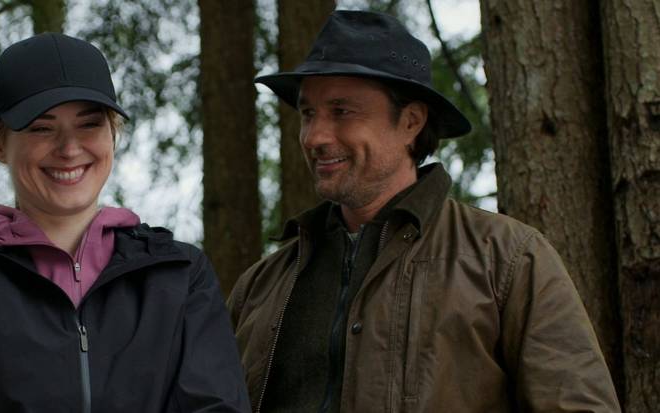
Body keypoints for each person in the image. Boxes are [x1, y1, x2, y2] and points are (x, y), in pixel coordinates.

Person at [228, 10, 620, 413]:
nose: (315, 136)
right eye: (308, 113)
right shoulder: (260, 286)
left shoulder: (507, 259)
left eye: (341, 111)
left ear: (411, 121)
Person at [0, 32, 250, 413]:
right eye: (42, 128)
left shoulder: (180, 275)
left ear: (113, 133)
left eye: (89, 125)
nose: (69, 149)